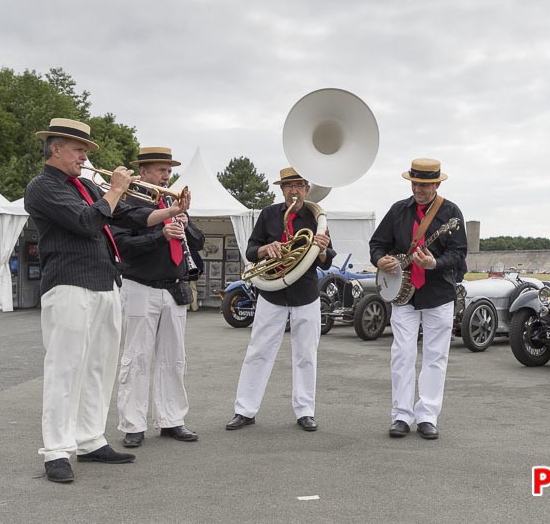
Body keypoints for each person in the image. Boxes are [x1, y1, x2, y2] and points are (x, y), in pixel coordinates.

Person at [24, 119, 190, 484]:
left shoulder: (83, 184)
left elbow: (129, 216)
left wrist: (171, 211)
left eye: (84, 151)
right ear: (56, 149)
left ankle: (89, 439)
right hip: (68, 284)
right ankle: (56, 450)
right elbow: (86, 222)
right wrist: (114, 189)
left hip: (104, 284)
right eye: (78, 150)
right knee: (65, 367)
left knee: (100, 366)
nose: (84, 157)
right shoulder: (42, 187)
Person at [226, 167, 334, 432]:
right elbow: (251, 251)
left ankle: (305, 411)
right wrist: (265, 248)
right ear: (281, 189)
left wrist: (320, 249)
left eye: (298, 185)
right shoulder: (268, 214)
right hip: (272, 293)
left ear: (307, 189)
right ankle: (245, 410)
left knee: (306, 354)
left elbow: (328, 258)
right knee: (258, 351)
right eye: (288, 186)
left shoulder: (316, 217)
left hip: (306, 293)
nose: (293, 191)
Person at [112, 147, 205, 448]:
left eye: (168, 170)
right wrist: (159, 236)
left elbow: (200, 242)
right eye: (160, 170)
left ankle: (171, 420)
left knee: (173, 358)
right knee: (136, 357)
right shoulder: (127, 201)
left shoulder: (172, 202)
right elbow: (122, 245)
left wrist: (186, 225)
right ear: (143, 173)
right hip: (140, 285)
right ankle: (133, 424)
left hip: (174, 286)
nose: (167, 175)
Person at [369, 158, 467, 440]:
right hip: (404, 295)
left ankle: (427, 416)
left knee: (436, 356)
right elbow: (377, 244)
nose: (419, 189)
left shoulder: (451, 212)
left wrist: (434, 263)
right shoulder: (398, 210)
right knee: (402, 354)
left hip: (438, 293)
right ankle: (401, 415)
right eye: (415, 183)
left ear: (437, 184)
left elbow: (459, 253)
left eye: (425, 184)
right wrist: (381, 260)